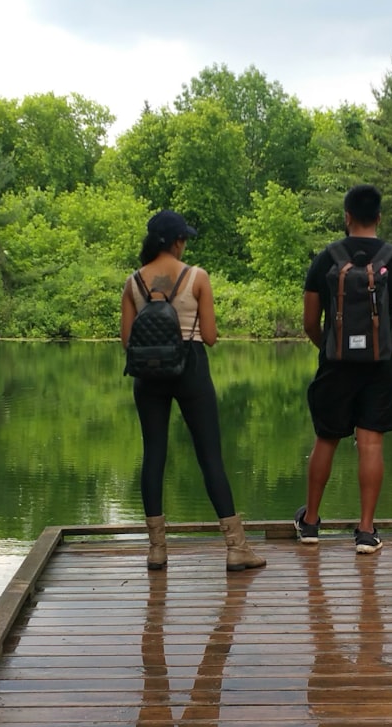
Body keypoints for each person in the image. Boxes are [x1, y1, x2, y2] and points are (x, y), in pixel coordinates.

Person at [121, 209, 265, 573]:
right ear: (176, 241)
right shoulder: (196, 277)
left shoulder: (133, 282)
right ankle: (236, 548)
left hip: (148, 374)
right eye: (184, 238)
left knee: (153, 455)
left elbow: (126, 341)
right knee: (210, 457)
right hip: (191, 367)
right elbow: (212, 338)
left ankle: (156, 550)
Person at [295, 185, 392, 554]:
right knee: (370, 444)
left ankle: (312, 524)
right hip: (380, 367)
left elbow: (309, 322)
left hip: (335, 365)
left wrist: (332, 349)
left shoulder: (325, 259)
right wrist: (387, 350)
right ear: (379, 217)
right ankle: (366, 532)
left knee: (326, 440)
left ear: (346, 216)